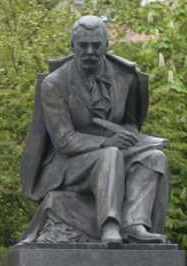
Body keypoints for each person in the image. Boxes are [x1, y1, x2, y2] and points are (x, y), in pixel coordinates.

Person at [20, 15, 169, 244]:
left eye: (96, 45)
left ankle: (135, 223)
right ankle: (109, 225)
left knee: (155, 158)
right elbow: (64, 140)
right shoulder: (54, 84)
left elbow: (129, 121)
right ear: (72, 46)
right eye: (83, 45)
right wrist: (106, 143)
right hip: (70, 163)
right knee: (109, 155)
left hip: (116, 151)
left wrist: (132, 137)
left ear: (106, 45)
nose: (90, 51)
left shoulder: (125, 77)